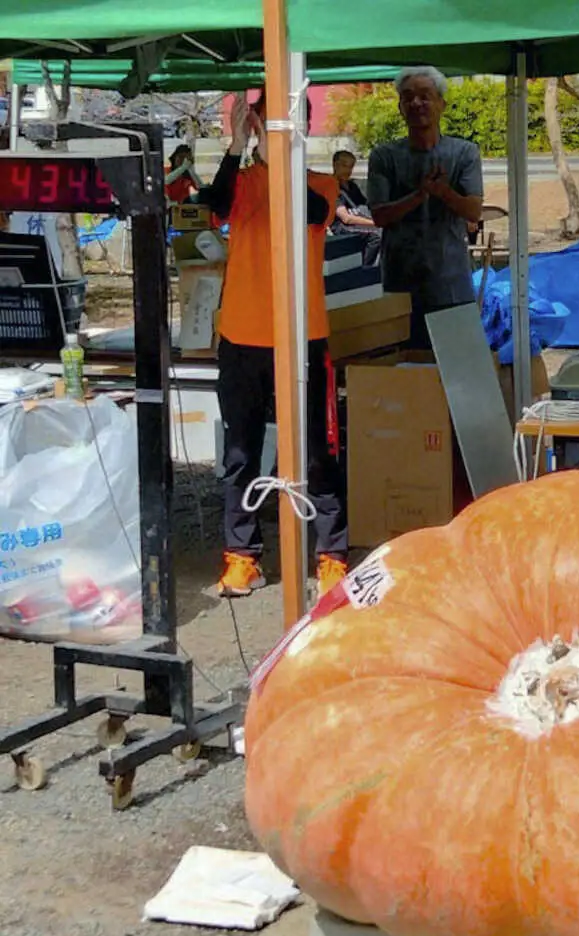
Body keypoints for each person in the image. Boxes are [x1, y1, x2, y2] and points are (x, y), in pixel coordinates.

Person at [202, 92, 349, 599]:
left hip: (302, 338)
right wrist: (238, 144)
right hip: (242, 337)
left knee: (316, 452)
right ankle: (241, 557)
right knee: (240, 453)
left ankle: (331, 556)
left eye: (284, 122)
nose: (274, 130)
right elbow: (215, 205)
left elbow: (310, 212)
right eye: (267, 122)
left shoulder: (320, 183)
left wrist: (283, 150)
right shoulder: (242, 180)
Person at [367, 66, 484, 349]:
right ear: (400, 107)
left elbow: (473, 211)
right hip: (399, 284)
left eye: (425, 96)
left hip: (451, 282)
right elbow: (380, 215)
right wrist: (419, 195)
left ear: (441, 104)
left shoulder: (464, 153)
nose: (416, 103)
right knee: (403, 368)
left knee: (456, 367)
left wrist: (442, 191)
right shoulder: (384, 156)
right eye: (408, 98)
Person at [330, 149, 381, 266]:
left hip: (357, 222)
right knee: (375, 235)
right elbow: (346, 218)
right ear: (335, 164)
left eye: (351, 166)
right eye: (344, 165)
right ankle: (366, 268)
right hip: (342, 227)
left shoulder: (352, 186)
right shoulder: (332, 187)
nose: (348, 170)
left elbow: (365, 206)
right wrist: (375, 223)